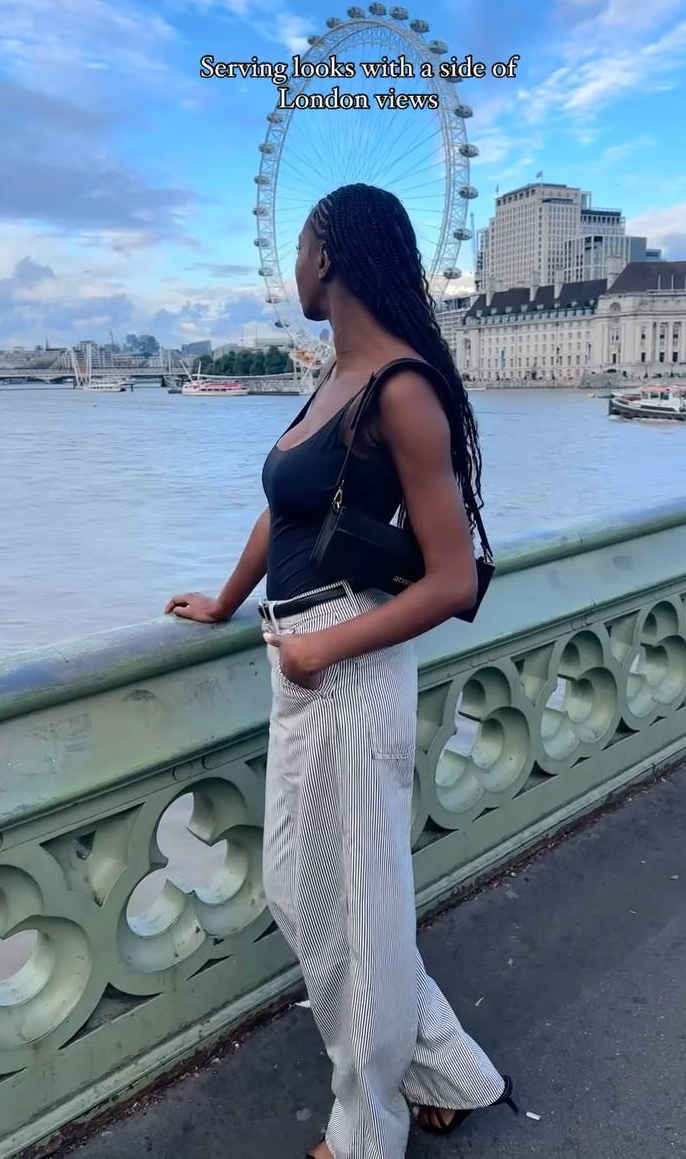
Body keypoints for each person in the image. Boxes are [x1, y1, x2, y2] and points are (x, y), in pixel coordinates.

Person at [165, 183, 517, 1159]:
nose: (292, 268)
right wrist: (233, 597)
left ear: (331, 259)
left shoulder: (400, 388)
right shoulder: (335, 378)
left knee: (354, 908)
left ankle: (365, 1132)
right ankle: (447, 1066)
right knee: (304, 889)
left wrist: (325, 645)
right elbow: (287, 505)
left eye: (301, 248)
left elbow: (450, 578)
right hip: (302, 654)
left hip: (348, 664)